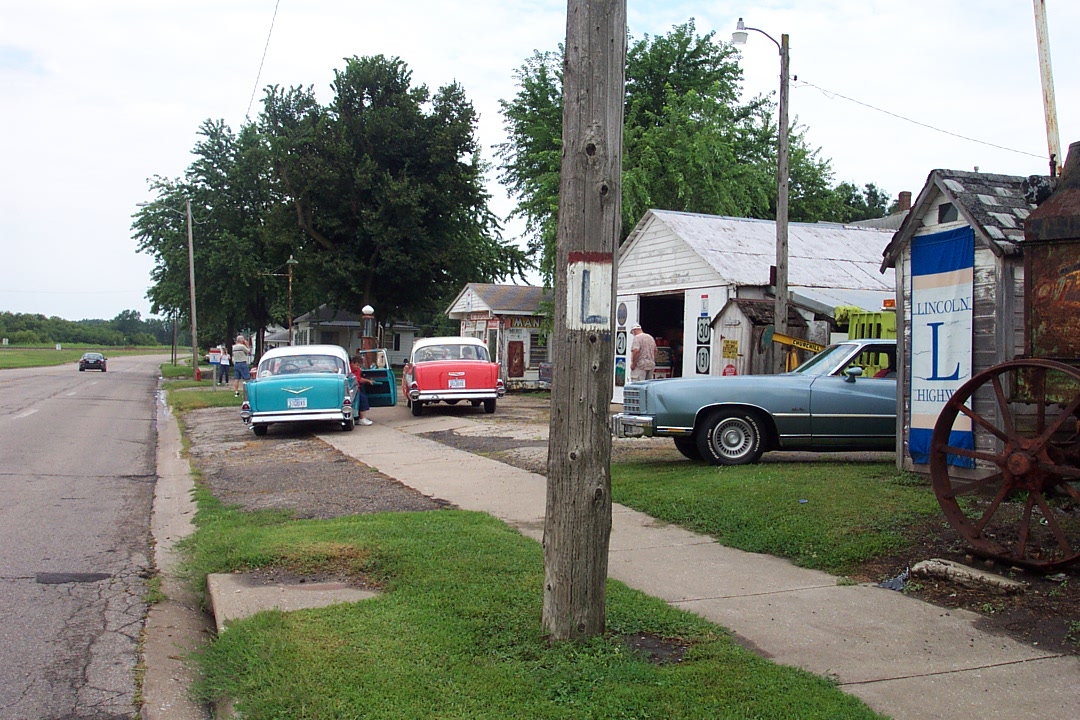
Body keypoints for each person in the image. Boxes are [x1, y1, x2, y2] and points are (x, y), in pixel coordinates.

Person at [350, 349, 375, 425]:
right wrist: (367, 381)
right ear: (352, 363)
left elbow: (359, 378)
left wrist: (368, 381)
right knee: (362, 398)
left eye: (359, 366)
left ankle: (359, 417)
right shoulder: (348, 369)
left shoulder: (357, 370)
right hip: (351, 389)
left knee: (362, 398)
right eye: (357, 365)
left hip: (356, 389)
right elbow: (358, 379)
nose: (358, 367)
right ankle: (362, 419)